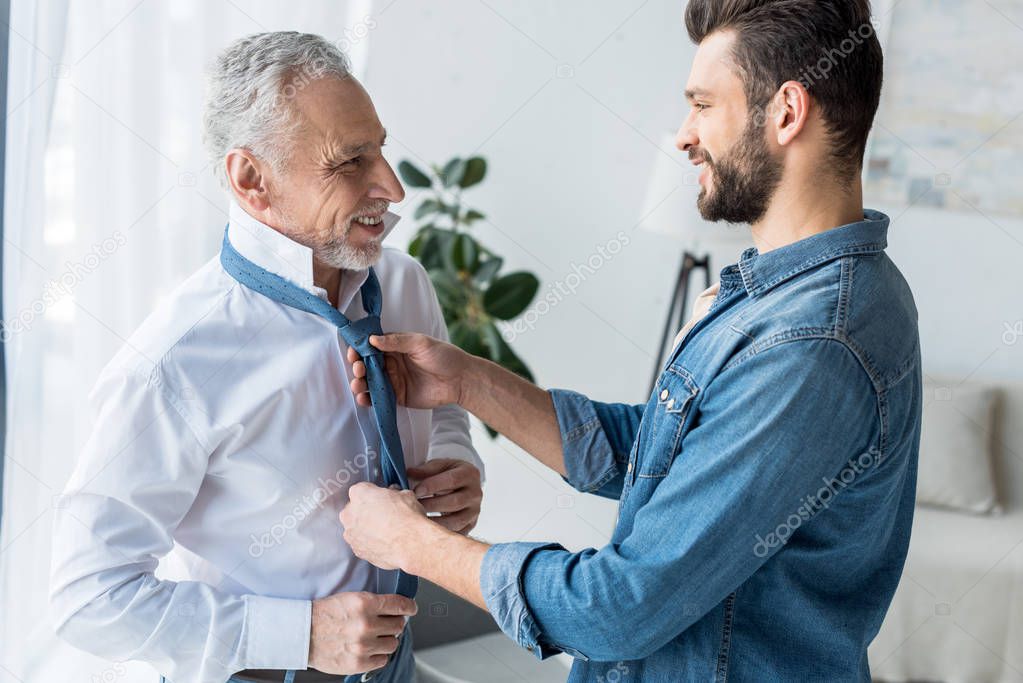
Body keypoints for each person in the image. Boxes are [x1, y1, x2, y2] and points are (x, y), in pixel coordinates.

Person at [340, 1, 922, 680]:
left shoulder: (812, 342)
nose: (683, 135)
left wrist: (414, 543)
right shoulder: (799, 298)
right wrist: (468, 381)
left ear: (786, 112)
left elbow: (618, 608)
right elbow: (668, 459)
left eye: (702, 104)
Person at [49, 32, 483, 683]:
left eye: (381, 150)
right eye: (350, 162)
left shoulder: (403, 283)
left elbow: (442, 413)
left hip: (397, 661)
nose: (391, 188)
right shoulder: (173, 361)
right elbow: (87, 597)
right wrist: (299, 634)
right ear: (252, 179)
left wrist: (457, 460)